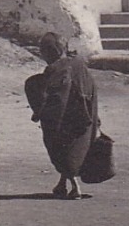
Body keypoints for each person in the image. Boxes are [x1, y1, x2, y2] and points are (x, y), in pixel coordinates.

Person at [24, 32, 100, 200]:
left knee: (62, 151)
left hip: (68, 120)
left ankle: (75, 187)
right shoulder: (79, 63)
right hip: (86, 116)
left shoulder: (58, 69)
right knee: (75, 151)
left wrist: (41, 114)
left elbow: (58, 98)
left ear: (52, 51)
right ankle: (61, 184)